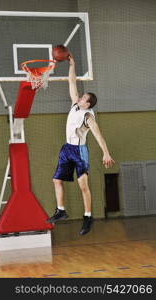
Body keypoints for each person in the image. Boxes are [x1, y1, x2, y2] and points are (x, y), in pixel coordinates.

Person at [47, 54, 115, 235]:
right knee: (56, 180)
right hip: (66, 148)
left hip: (79, 151)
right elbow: (72, 83)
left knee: (83, 186)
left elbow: (99, 136)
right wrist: (72, 65)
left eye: (83, 98)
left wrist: (106, 153)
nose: (80, 97)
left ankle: (87, 217)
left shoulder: (88, 117)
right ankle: (61, 211)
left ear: (88, 104)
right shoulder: (75, 106)